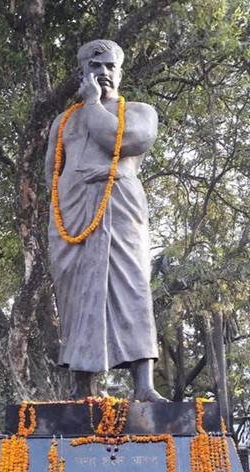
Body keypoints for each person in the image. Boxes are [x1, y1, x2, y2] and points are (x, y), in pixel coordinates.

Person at [44, 39, 168, 402]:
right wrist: (67, 196)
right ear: (82, 72)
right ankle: (81, 386)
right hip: (72, 212)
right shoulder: (63, 121)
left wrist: (93, 104)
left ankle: (143, 386)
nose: (103, 74)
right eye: (95, 68)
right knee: (75, 294)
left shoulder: (140, 111)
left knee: (131, 285)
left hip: (119, 206)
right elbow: (51, 171)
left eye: (110, 67)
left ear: (120, 71)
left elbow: (122, 140)